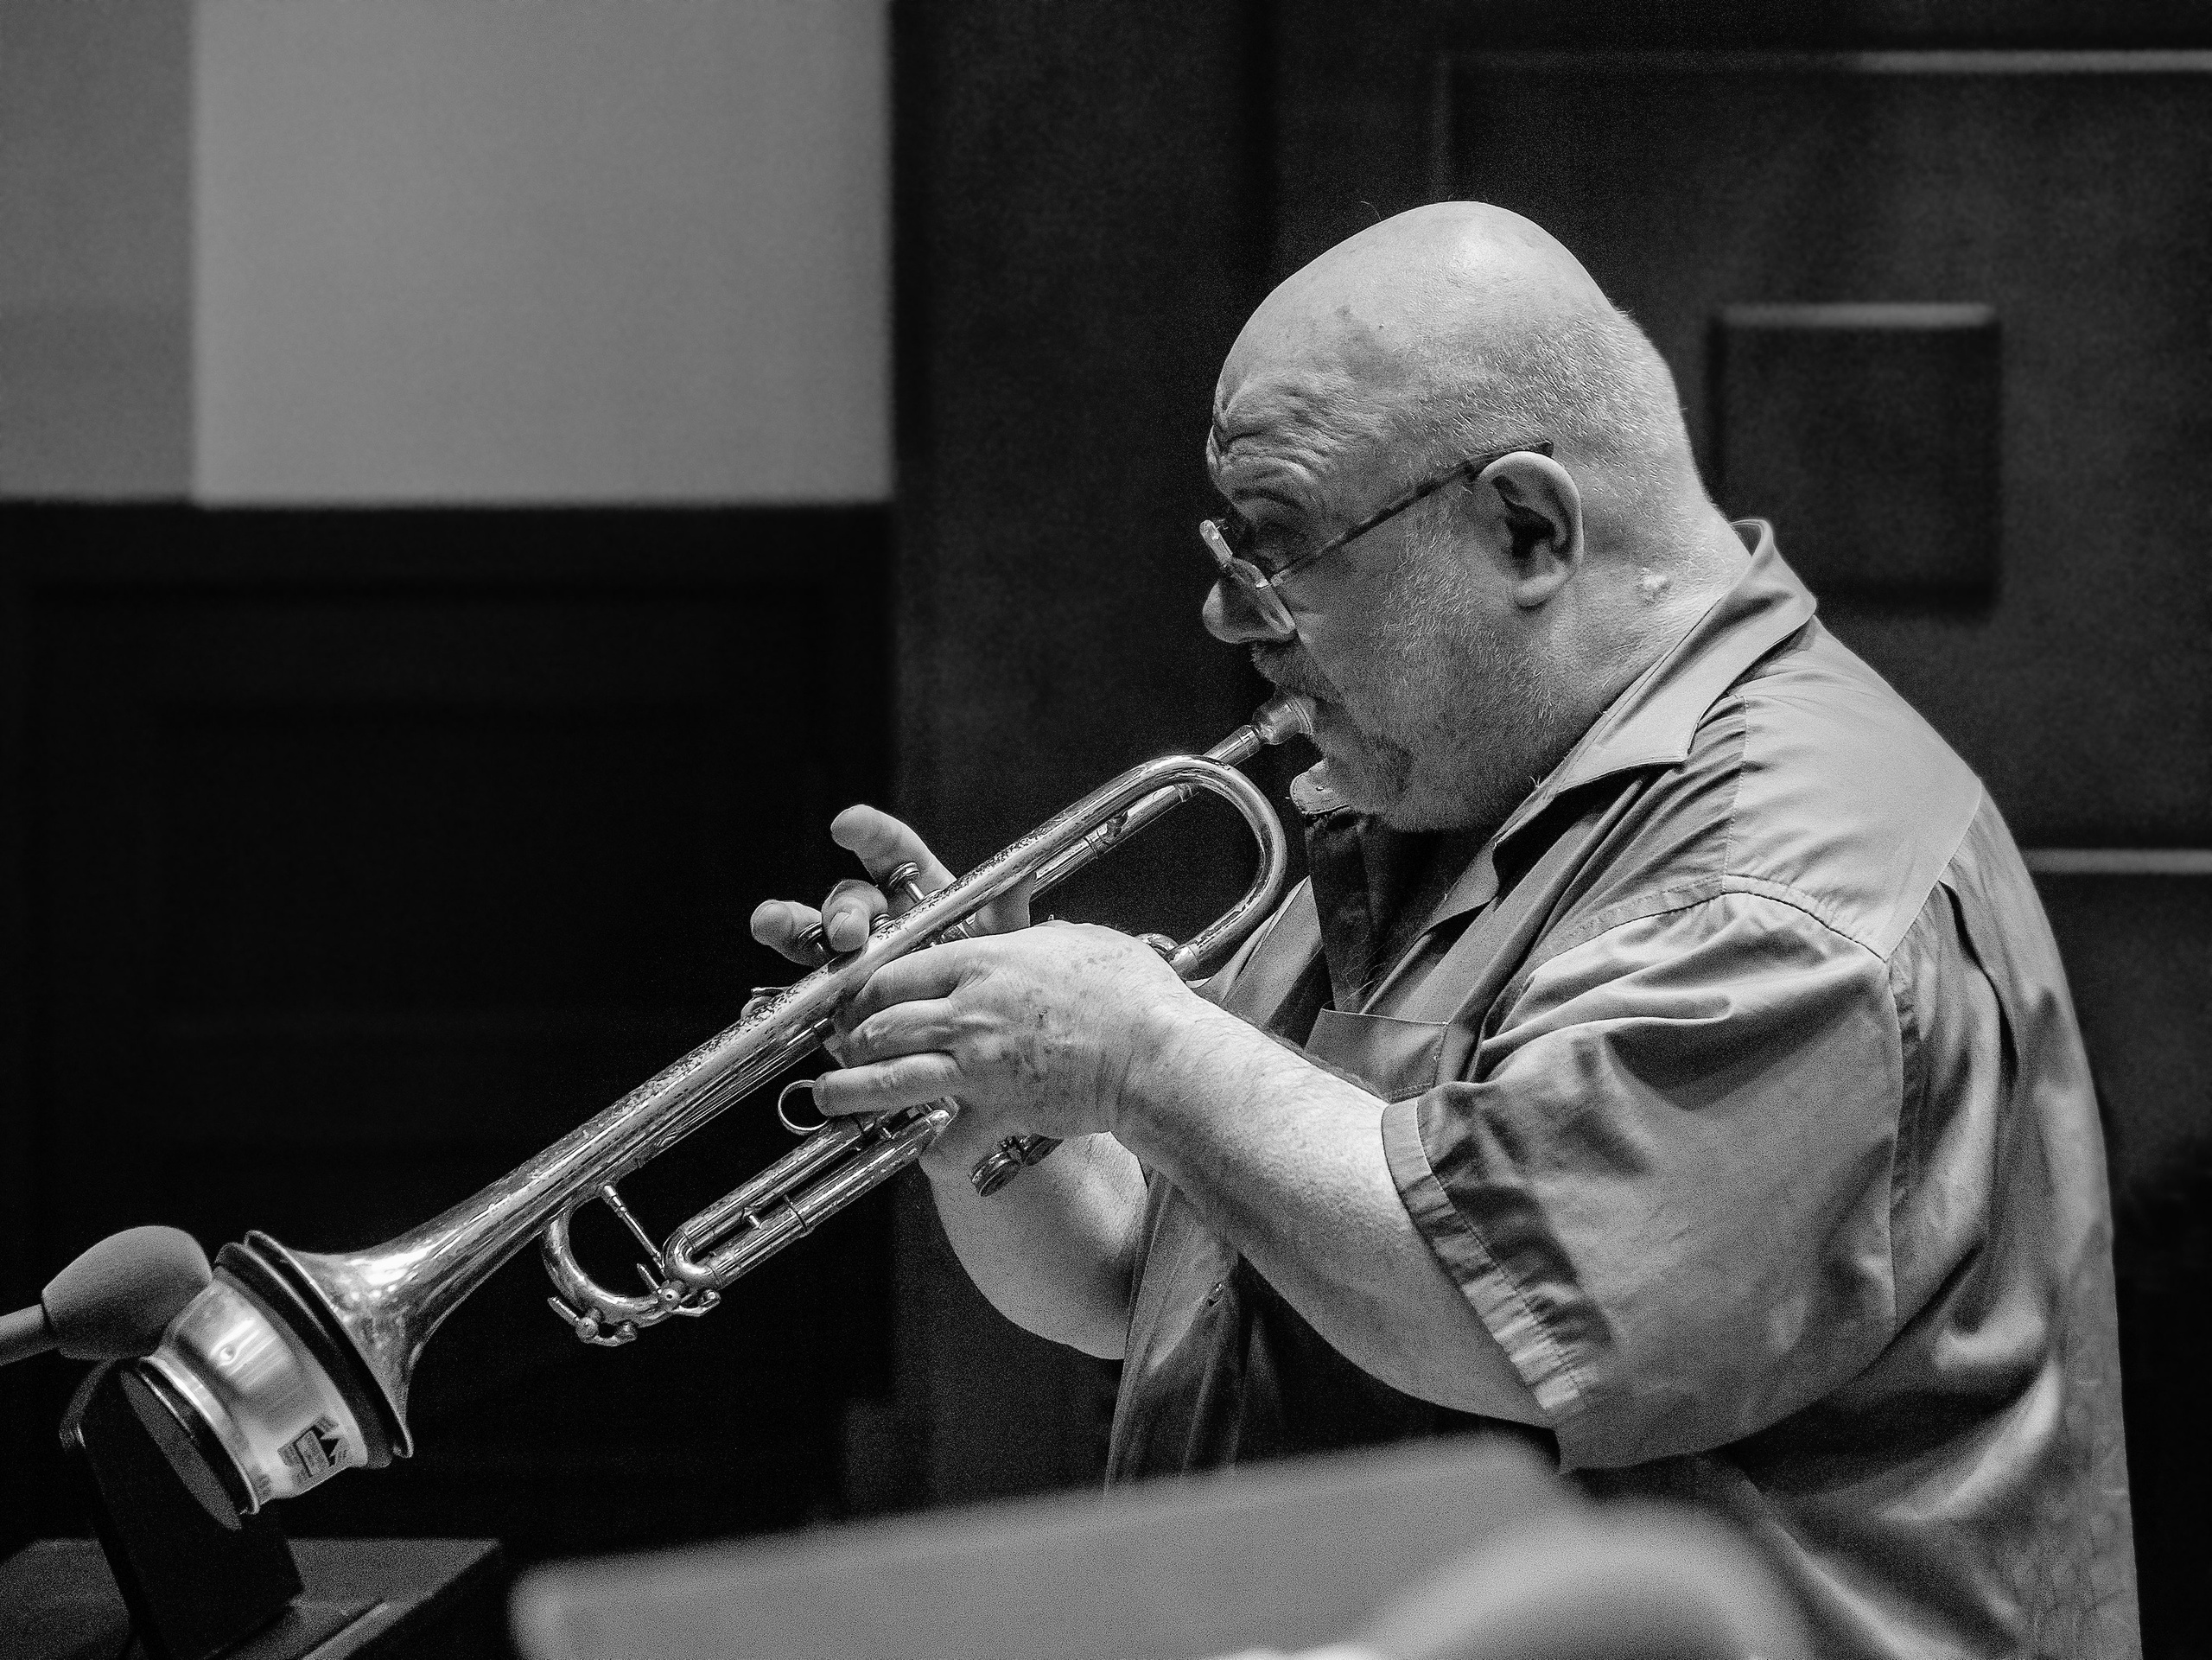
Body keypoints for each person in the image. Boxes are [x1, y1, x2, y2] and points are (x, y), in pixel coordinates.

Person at [753, 203, 2139, 1657]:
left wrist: (1136, 1046)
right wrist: (979, 1099)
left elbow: (1489, 1312)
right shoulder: (1463, 788)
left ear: (1527, 527)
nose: (1232, 617)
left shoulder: (1787, 881)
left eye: (1279, 547)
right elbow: (1149, 1274)